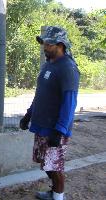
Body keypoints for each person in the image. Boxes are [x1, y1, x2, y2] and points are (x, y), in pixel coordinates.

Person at [20, 26, 80, 200]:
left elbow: (70, 103)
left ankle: (58, 198)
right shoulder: (48, 65)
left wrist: (59, 130)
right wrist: (28, 115)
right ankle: (54, 192)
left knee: (55, 166)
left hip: (54, 129)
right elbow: (41, 94)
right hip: (41, 125)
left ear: (60, 45)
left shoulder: (68, 68)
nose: (44, 47)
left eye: (48, 44)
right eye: (44, 44)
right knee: (46, 164)